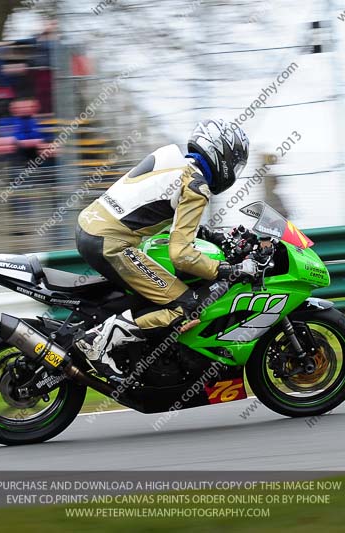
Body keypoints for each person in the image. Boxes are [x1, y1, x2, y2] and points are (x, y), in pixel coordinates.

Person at [74, 118, 253, 379]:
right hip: (110, 243)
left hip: (88, 227)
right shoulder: (196, 185)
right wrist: (228, 270)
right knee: (186, 305)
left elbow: (154, 210)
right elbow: (181, 255)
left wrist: (213, 235)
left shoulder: (170, 158)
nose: (234, 171)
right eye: (235, 163)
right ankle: (97, 342)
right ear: (221, 155)